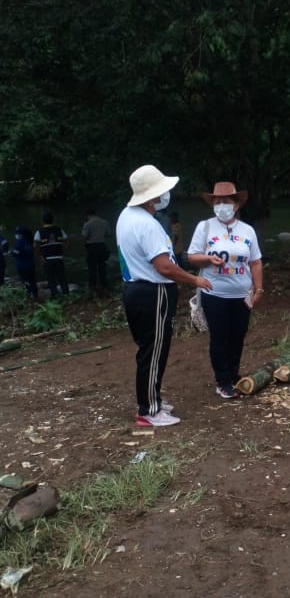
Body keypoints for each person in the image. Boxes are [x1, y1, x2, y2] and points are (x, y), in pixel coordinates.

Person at [116, 165, 220, 427]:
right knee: (154, 351)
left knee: (148, 349)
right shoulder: (147, 225)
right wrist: (195, 279)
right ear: (152, 197)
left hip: (134, 289)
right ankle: (148, 411)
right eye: (162, 191)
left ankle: (152, 399)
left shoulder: (126, 216)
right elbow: (163, 267)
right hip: (154, 292)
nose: (165, 195)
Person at [187, 181, 263, 399]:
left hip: (242, 294)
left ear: (236, 205)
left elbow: (255, 262)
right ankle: (222, 381)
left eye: (226, 201)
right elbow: (192, 256)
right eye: (217, 202)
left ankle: (233, 374)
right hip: (214, 293)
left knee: (238, 336)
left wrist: (259, 288)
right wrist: (207, 259)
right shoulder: (205, 227)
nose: (221, 206)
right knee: (219, 338)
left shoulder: (247, 230)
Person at [34, 211, 69, 296]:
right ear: (53, 220)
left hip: (47, 259)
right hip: (59, 258)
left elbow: (35, 245)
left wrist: (40, 255)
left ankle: (55, 296)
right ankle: (67, 295)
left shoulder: (39, 231)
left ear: (43, 221)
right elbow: (67, 241)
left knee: (51, 279)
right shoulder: (59, 229)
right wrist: (64, 251)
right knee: (62, 278)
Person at [82, 208, 111, 294]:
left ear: (87, 215)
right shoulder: (105, 222)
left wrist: (84, 244)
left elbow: (84, 236)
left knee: (92, 268)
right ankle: (104, 284)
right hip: (102, 246)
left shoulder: (87, 224)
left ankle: (93, 286)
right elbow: (108, 234)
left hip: (91, 247)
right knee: (102, 266)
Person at [11, 226, 38, 298]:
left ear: (21, 234)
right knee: (32, 280)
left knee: (25, 282)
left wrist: (11, 252)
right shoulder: (29, 241)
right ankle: (35, 295)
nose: (16, 235)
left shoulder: (19, 242)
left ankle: (28, 295)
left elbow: (16, 253)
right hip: (31, 265)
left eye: (17, 233)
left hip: (22, 266)